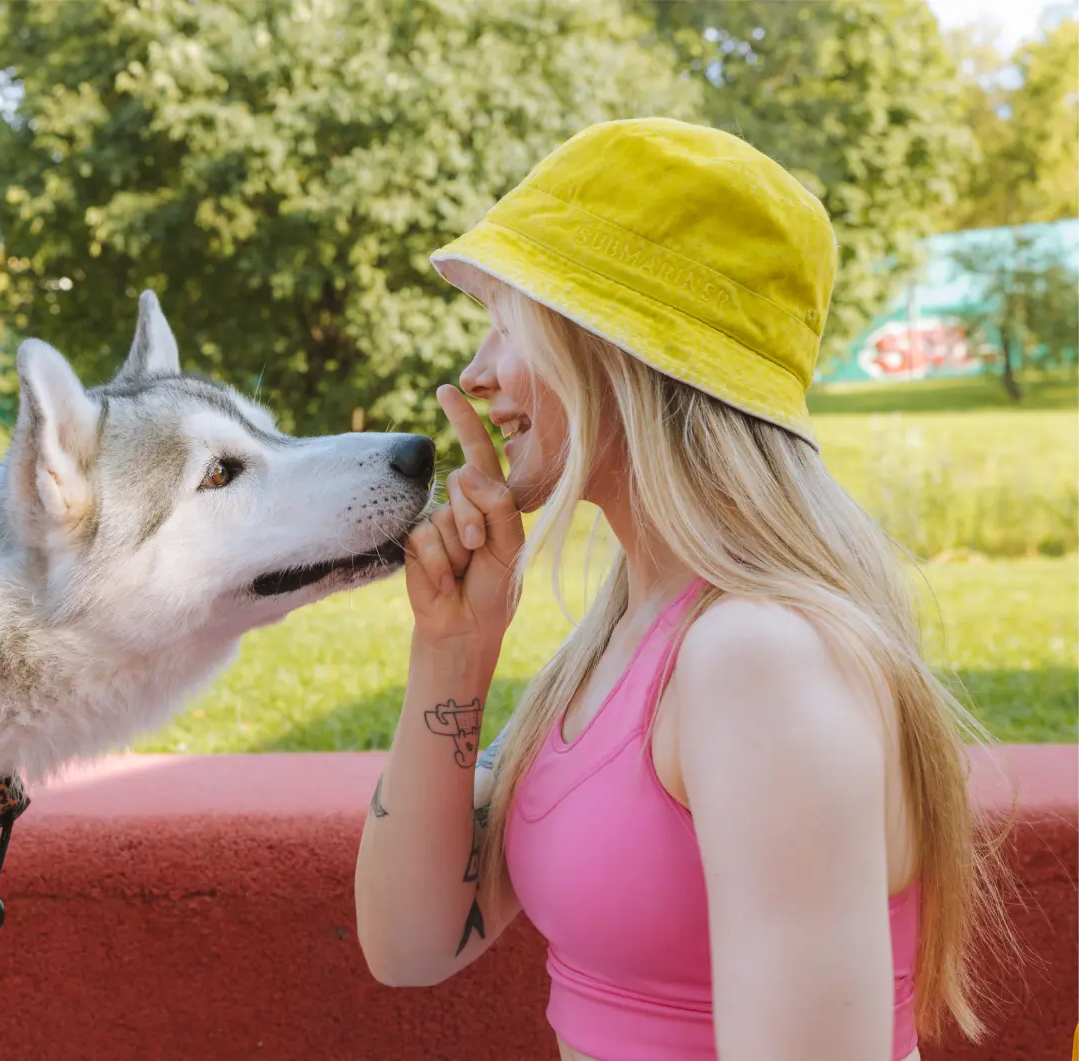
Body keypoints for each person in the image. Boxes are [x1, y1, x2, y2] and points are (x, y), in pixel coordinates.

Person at [353, 118, 1009, 1061]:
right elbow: (410, 944)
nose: (477, 374)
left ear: (616, 348)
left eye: (508, 323)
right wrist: (453, 648)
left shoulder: (758, 657)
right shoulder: (628, 629)